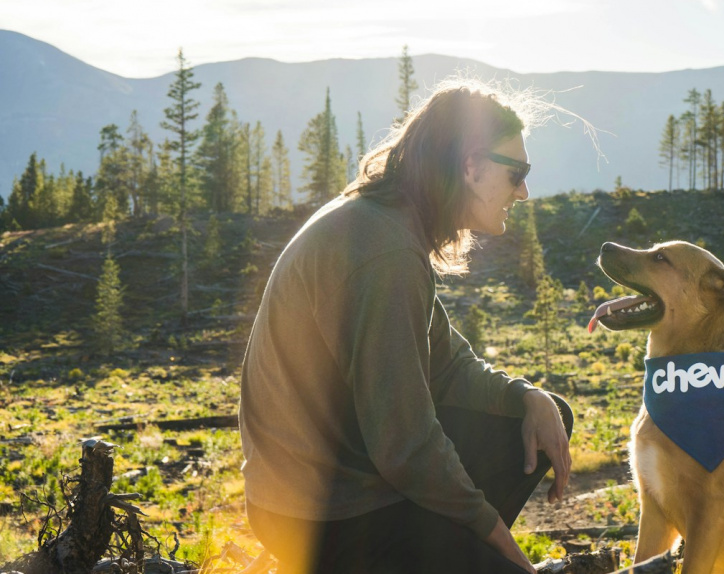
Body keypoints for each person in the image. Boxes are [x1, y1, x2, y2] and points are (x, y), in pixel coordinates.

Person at [239, 78, 573, 574]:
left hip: (343, 486)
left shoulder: (389, 224)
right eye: (516, 172)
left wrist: (526, 395)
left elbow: (449, 366)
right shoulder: (386, 251)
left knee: (537, 417)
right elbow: (407, 446)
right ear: (471, 165)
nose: (523, 191)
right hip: (321, 516)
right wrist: (499, 540)